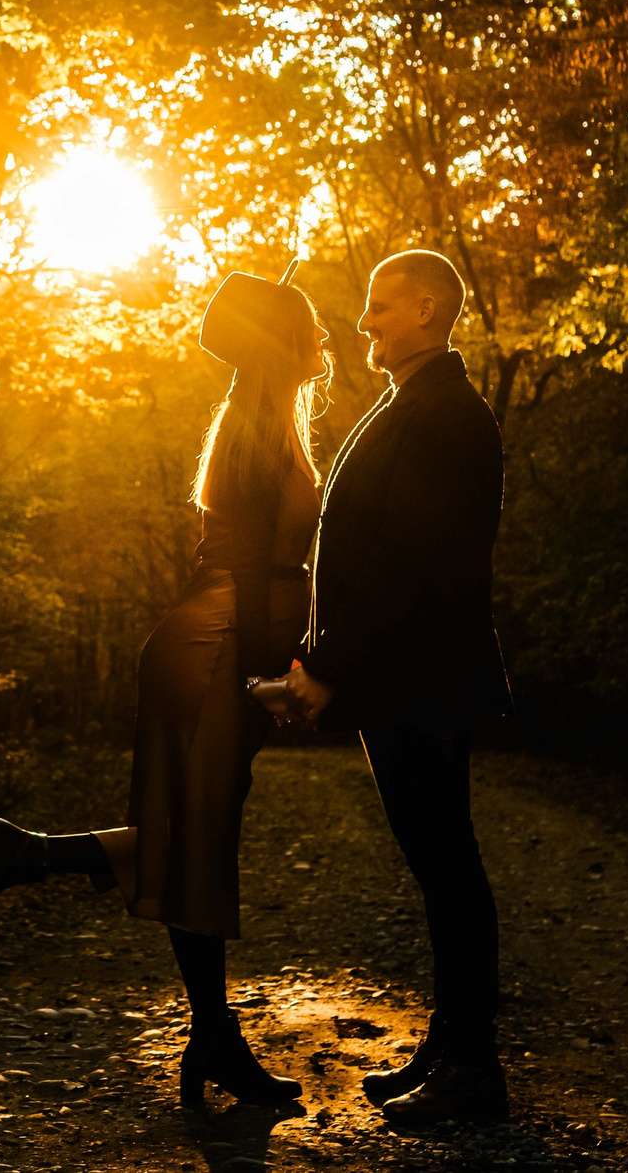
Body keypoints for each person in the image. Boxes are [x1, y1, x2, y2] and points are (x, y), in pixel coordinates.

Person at [0, 266, 328, 1108]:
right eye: (309, 326)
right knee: (200, 844)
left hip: (220, 640)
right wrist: (270, 674)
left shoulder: (271, 421)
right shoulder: (254, 425)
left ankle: (25, 853)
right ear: (284, 342)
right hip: (215, 647)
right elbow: (242, 568)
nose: (324, 341)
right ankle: (217, 1045)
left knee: (189, 833)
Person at [252, 247, 512, 1124]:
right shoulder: (415, 405)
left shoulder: (449, 417)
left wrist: (328, 668)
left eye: (381, 306)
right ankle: (451, 1047)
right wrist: (318, 657)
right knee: (439, 867)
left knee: (450, 868)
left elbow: (408, 562)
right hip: (401, 680)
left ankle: (474, 1071)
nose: (364, 322)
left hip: (424, 682)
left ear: (430, 307)